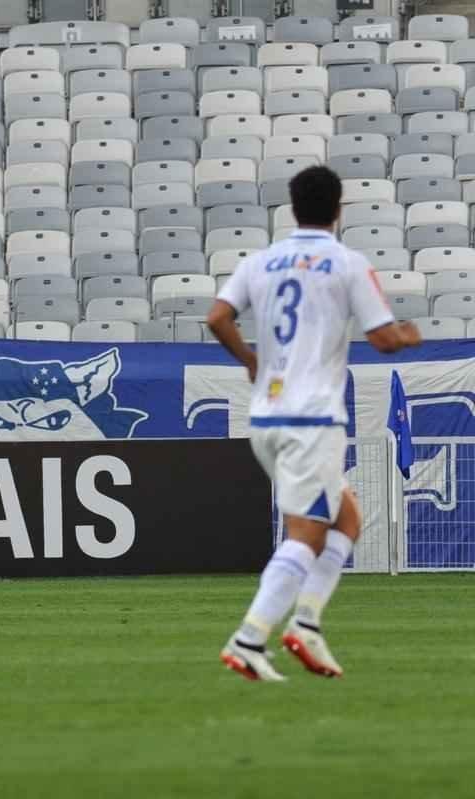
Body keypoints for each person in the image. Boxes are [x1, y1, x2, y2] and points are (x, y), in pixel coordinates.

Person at [206, 166, 422, 681]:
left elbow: (217, 317)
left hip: (268, 417)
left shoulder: (260, 261)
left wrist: (250, 360)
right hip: (312, 419)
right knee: (306, 536)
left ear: (293, 208)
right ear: (339, 209)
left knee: (346, 521)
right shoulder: (347, 263)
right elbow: (384, 339)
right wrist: (408, 334)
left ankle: (305, 624)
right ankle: (249, 638)